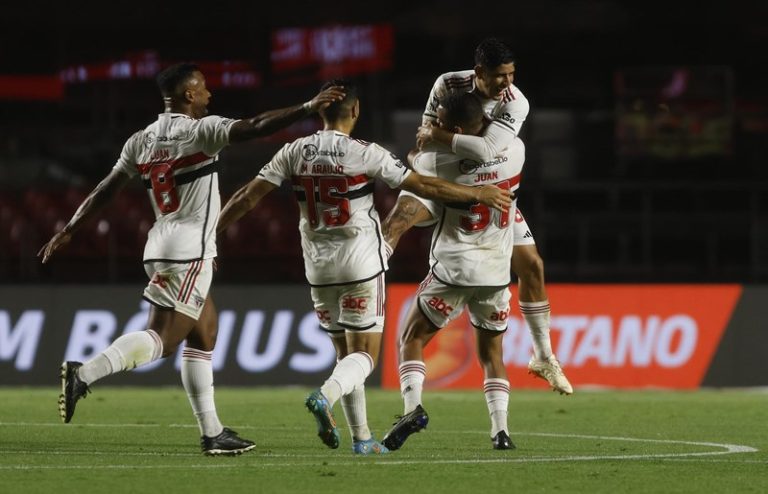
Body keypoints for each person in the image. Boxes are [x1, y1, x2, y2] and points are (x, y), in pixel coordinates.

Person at [38, 62, 345, 455]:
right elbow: (254, 126)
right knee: (164, 340)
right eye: (203, 90)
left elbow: (106, 190)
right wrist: (307, 107)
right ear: (188, 95)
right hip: (188, 250)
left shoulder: (141, 139)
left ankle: (213, 432)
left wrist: (69, 230)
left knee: (205, 332)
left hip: (163, 243)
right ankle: (85, 373)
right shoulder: (202, 130)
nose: (209, 95)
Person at [215, 79, 511, 455]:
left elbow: (247, 196)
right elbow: (425, 187)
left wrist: (213, 234)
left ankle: (362, 438)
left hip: (317, 267)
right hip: (361, 263)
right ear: (355, 111)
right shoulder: (366, 153)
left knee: (346, 356)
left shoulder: (293, 151)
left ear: (321, 111)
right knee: (365, 357)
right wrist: (477, 193)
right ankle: (325, 395)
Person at [415, 37, 572, 395]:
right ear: (479, 72)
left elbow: (485, 150)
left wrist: (438, 134)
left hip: (493, 191)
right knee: (408, 209)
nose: (507, 83)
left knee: (532, 265)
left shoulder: (517, 103)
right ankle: (388, 250)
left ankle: (544, 356)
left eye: (512, 74)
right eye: (501, 75)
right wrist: (425, 149)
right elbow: (421, 142)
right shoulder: (447, 84)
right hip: (451, 180)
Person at [380, 92, 523, 451]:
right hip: (496, 274)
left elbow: (416, 168)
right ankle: (501, 432)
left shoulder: (436, 161)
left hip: (454, 270)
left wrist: (420, 148)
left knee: (410, 338)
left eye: (441, 121)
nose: (436, 125)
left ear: (454, 128)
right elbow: (485, 149)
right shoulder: (516, 150)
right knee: (492, 355)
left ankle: (412, 408)